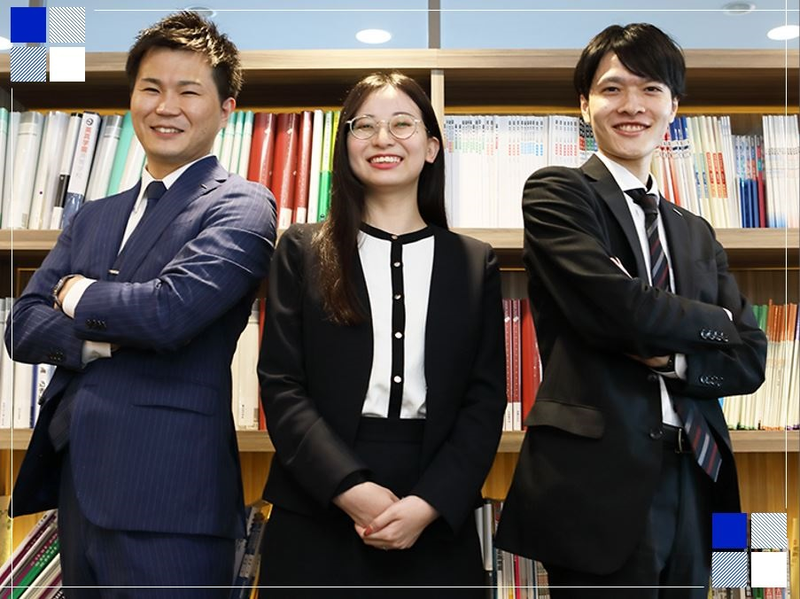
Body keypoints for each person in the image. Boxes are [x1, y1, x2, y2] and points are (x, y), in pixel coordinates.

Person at [6, 12, 276, 597]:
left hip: (172, 499)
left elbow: (168, 313)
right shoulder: (93, 215)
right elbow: (22, 326)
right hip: (78, 489)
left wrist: (76, 293)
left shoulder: (242, 205)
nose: (165, 106)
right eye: (151, 88)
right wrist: (98, 342)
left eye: (189, 91)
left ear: (226, 109)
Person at [495, 23, 767, 598]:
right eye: (612, 89)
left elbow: (751, 360)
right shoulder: (556, 192)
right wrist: (715, 323)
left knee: (735, 583)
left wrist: (675, 359)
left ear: (674, 106)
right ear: (584, 104)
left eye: (650, 89)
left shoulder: (696, 230)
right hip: (598, 485)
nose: (632, 106)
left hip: (703, 470)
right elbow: (620, 310)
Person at [257, 72, 506, 597]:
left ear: (432, 147)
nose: (382, 138)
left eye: (402, 124)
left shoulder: (473, 262)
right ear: (345, 145)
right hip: (317, 501)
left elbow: (484, 400)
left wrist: (429, 503)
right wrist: (348, 487)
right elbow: (281, 386)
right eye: (364, 125)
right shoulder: (301, 250)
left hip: (434, 506)